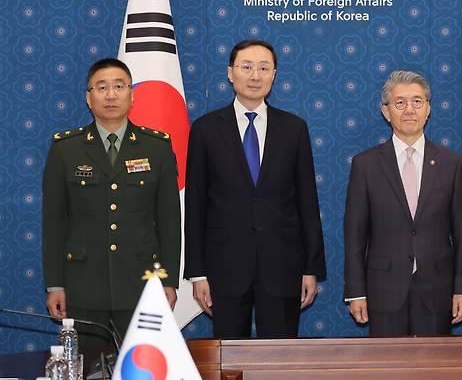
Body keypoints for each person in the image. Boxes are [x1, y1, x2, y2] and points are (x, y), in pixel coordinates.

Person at [184, 39, 326, 338]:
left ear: (274, 75)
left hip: (283, 266)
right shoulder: (206, 129)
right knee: (229, 361)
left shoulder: (294, 129)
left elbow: (307, 204)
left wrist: (310, 268)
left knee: (279, 361)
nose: (255, 75)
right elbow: (195, 206)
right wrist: (198, 272)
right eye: (246, 67)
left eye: (264, 68)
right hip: (224, 267)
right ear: (230, 73)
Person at [42, 58, 181, 344]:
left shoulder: (157, 148)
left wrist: (168, 280)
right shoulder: (65, 149)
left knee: (140, 370)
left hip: (142, 283)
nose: (111, 95)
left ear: (132, 95)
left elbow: (169, 221)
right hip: (83, 286)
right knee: (90, 369)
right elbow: (54, 223)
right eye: (101, 87)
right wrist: (55, 283)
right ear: (88, 98)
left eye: (119, 86)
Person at [343, 70, 462, 336]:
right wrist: (355, 292)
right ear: (386, 111)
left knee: (435, 371)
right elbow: (354, 234)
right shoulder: (365, 165)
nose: (409, 110)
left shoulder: (451, 163)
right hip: (383, 289)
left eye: (417, 102)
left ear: (428, 109)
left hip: (438, 288)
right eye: (400, 103)